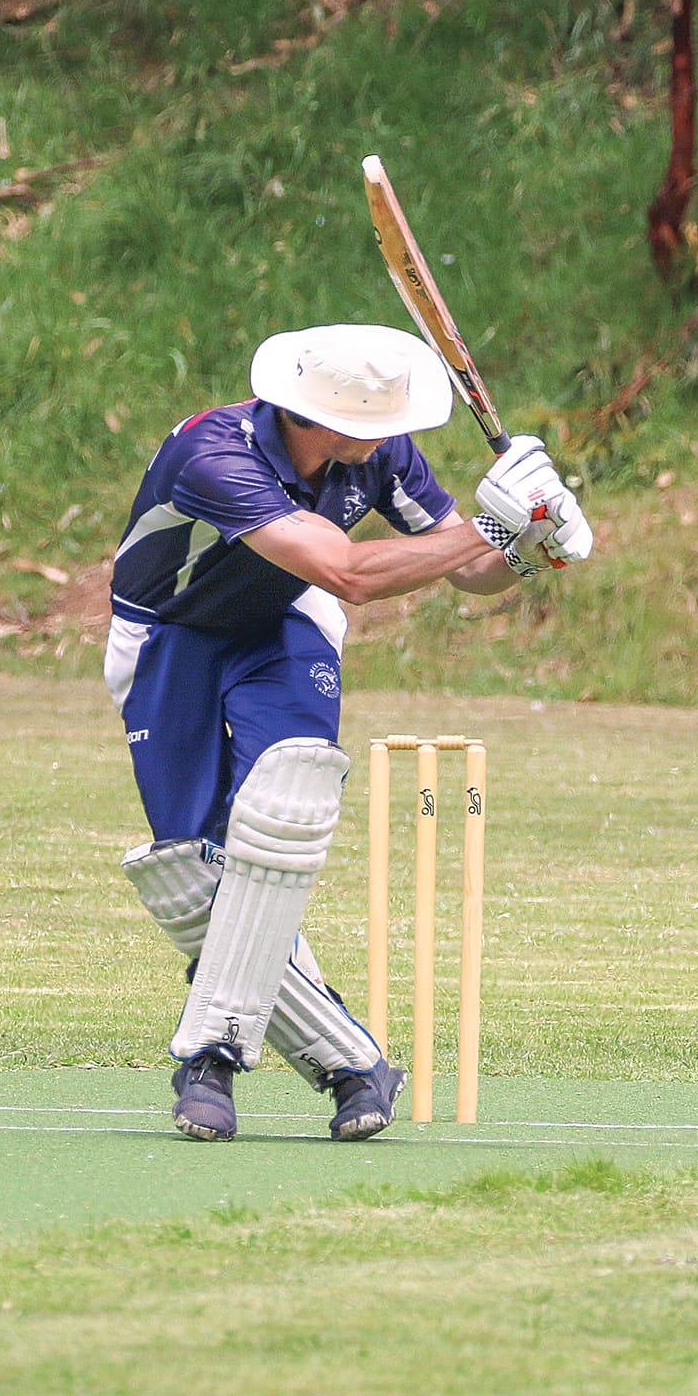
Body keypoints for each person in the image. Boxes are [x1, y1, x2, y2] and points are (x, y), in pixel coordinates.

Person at [106, 323, 592, 1141]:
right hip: (168, 633)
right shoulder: (213, 453)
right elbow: (351, 573)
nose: (392, 434)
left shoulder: (380, 455)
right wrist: (492, 525)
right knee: (196, 874)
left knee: (288, 801)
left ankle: (210, 1060)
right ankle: (353, 1063)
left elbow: (466, 570)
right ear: (319, 418)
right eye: (376, 422)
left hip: (283, 623)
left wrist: (528, 543)